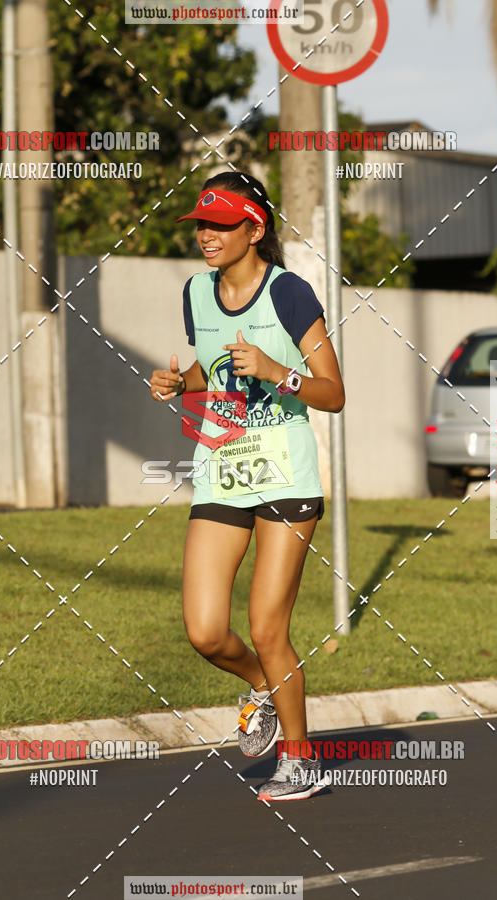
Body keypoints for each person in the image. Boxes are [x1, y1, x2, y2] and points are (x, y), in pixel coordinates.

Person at [149, 171, 345, 801]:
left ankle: (299, 758)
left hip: (286, 474)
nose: (207, 235)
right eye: (201, 225)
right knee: (205, 630)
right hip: (222, 470)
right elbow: (212, 362)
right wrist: (185, 385)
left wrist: (278, 372)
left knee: (267, 626)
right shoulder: (196, 293)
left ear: (254, 229)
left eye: (221, 224)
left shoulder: (288, 293)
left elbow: (333, 393)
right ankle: (265, 686)